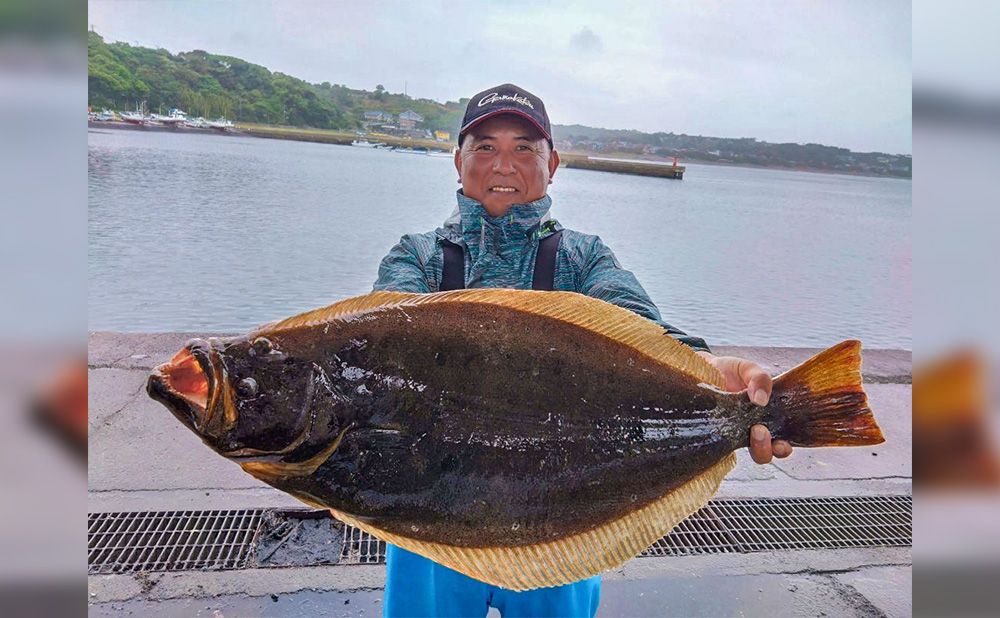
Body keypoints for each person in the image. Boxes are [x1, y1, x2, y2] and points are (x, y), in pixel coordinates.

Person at [372, 83, 792, 617]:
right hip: (429, 518)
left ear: (554, 164)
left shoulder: (581, 258)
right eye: (485, 146)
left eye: (525, 148)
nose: (504, 163)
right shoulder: (418, 256)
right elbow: (382, 335)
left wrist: (710, 372)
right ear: (458, 161)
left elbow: (639, 324)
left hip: (562, 515)